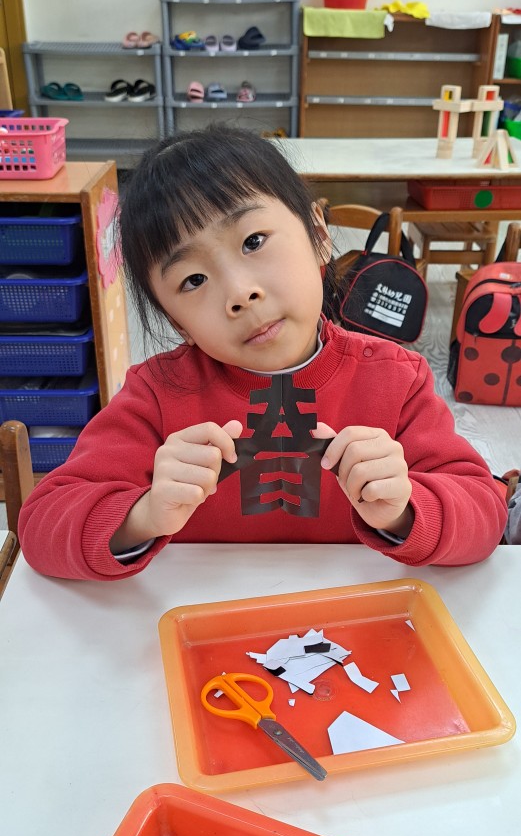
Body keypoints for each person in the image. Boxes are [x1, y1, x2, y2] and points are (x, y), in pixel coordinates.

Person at [18, 126, 506, 581]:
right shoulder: (156, 395)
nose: (239, 293)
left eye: (253, 241)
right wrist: (142, 516)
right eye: (193, 279)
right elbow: (40, 525)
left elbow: (485, 512)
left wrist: (404, 510)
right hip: (203, 625)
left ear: (319, 235)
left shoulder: (397, 379)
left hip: (360, 621)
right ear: (178, 324)